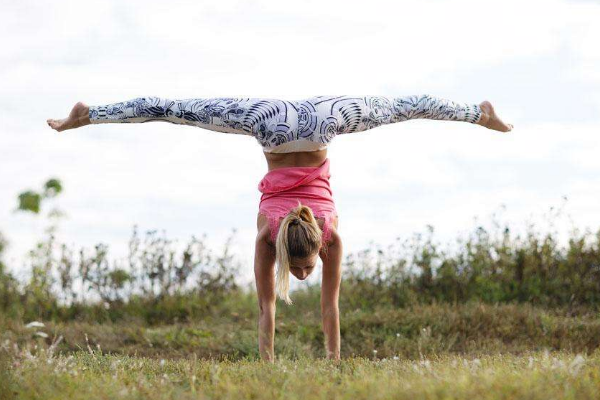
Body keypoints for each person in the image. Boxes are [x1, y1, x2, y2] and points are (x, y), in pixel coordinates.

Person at [47, 94, 513, 361]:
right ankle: (479, 113)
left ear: (309, 247)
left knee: (176, 109)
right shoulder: (281, 234)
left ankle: (89, 115)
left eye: (304, 269)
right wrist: (322, 363)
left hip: (291, 121)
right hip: (303, 119)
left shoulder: (307, 234)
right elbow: (316, 309)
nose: (307, 274)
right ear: (310, 249)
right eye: (307, 268)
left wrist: (283, 364)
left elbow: (275, 310)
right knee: (403, 108)